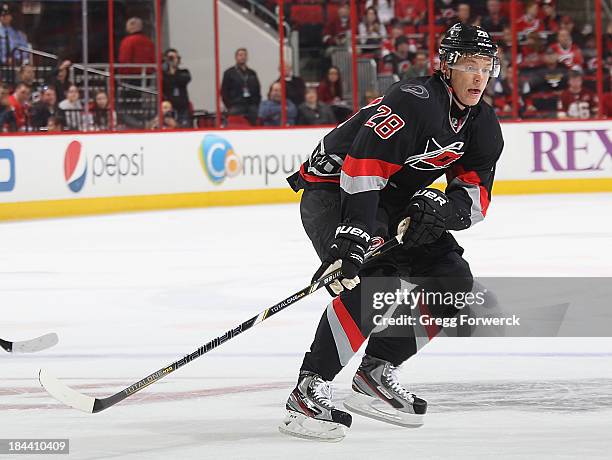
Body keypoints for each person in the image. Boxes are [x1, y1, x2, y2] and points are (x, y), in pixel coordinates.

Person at [282, 22, 503, 441]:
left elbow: (474, 199)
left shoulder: (482, 124)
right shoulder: (415, 100)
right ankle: (308, 392)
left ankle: (375, 373)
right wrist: (352, 239)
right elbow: (363, 167)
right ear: (446, 66)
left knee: (451, 282)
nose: (479, 76)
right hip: (334, 190)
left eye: (486, 66)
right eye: (470, 65)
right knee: (371, 283)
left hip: (392, 197)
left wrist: (439, 210)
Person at [221, 48, 261, 126]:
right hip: (236, 105)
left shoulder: (252, 73)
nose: (243, 57)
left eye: (245, 55)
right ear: (236, 57)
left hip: (251, 105)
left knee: (254, 124)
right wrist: (229, 105)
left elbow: (257, 89)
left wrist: (256, 103)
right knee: (234, 123)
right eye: (240, 55)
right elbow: (224, 91)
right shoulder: (229, 73)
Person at [162, 48, 192, 127]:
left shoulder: (184, 72)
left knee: (184, 128)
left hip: (182, 107)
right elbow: (166, 83)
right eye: (171, 58)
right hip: (169, 107)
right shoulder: (162, 75)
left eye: (177, 57)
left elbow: (183, 80)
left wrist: (173, 70)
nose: (174, 60)